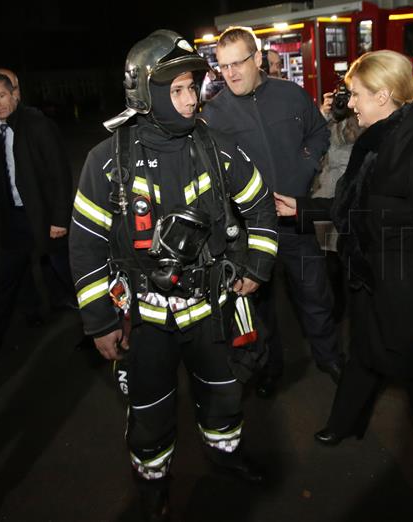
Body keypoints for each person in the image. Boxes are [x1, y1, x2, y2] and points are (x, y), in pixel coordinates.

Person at [69, 29, 278, 520]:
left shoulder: (218, 147)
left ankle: (226, 457)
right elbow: (85, 245)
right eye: (176, 90)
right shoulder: (106, 161)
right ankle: (153, 483)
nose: (189, 101)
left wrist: (256, 265)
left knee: (225, 396)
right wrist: (99, 322)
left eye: (192, 87)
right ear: (144, 93)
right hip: (143, 320)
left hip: (212, 311)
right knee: (150, 410)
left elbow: (262, 207)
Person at [274, 50, 413, 514]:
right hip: (369, 279)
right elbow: (359, 205)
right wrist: (303, 210)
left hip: (409, 295)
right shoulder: (375, 142)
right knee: (364, 355)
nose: (352, 104)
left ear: (384, 95)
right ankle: (346, 422)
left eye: (359, 95)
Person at [201, 26, 342, 399]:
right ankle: (268, 372)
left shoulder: (291, 95)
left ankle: (332, 361)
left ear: (259, 59)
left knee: (315, 297)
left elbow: (319, 133)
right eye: (223, 66)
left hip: (295, 221)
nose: (229, 73)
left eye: (238, 63)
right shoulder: (213, 114)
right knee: (259, 311)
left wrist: (303, 166)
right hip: (249, 232)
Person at [0, 71, 74, 353]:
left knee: (69, 276)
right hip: (13, 218)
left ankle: (102, 330)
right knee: (7, 279)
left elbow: (60, 173)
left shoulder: (37, 125)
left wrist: (59, 219)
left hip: (45, 218)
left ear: (13, 94)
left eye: (0, 96)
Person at [310, 86, 363, 322]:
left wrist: (347, 114)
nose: (342, 103)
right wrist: (324, 113)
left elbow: (354, 137)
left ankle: (354, 309)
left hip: (348, 197)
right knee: (329, 264)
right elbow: (310, 144)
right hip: (324, 196)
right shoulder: (328, 120)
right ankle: (336, 309)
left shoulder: (359, 118)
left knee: (349, 260)